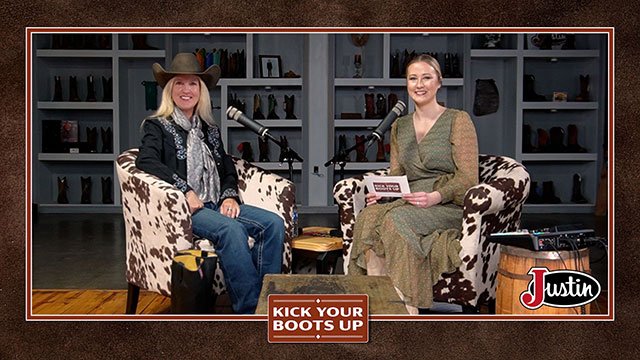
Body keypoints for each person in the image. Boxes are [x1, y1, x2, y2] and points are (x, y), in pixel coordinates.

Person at [136, 53, 285, 314]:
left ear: (201, 90)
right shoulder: (156, 126)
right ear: (170, 90)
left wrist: (229, 196)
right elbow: (146, 161)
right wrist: (185, 190)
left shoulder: (209, 129)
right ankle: (250, 310)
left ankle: (266, 297)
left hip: (216, 202)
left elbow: (226, 167)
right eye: (179, 83)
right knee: (232, 230)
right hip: (184, 210)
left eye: (193, 83)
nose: (186, 90)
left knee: (273, 224)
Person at [348, 54, 479, 314]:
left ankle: (407, 309)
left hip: (445, 205)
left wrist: (436, 196)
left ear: (439, 82)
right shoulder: (400, 125)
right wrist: (383, 194)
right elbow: (398, 175)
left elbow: (468, 178)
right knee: (369, 216)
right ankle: (376, 306)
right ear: (406, 84)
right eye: (413, 78)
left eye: (426, 77)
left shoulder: (458, 120)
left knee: (395, 222)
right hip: (407, 202)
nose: (419, 84)